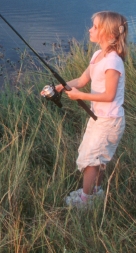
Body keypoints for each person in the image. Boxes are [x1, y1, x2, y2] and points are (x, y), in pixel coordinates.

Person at [56, 11, 128, 208]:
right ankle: (95, 191)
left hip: (109, 121)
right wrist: (60, 87)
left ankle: (86, 201)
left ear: (111, 36)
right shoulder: (98, 55)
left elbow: (109, 96)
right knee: (97, 157)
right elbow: (81, 80)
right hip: (98, 118)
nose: (90, 29)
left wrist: (80, 96)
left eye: (95, 27)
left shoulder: (113, 62)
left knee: (91, 160)